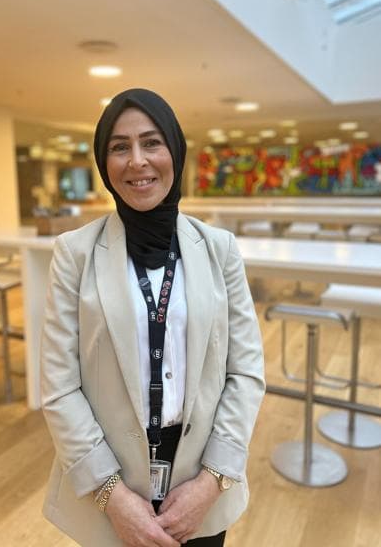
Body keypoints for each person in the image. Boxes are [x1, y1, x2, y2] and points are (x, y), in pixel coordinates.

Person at [40, 88, 265, 546]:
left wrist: (211, 482)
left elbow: (245, 371)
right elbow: (60, 386)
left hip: (200, 477)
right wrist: (112, 496)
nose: (137, 160)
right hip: (109, 482)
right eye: (119, 147)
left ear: (175, 152)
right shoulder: (74, 254)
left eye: (151, 142)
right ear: (104, 162)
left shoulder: (219, 249)